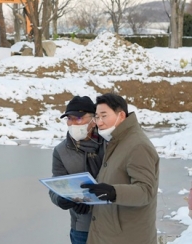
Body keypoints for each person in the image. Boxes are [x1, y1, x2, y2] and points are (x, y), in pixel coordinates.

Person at [81, 93, 159, 244]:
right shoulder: (115, 141)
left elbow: (146, 191)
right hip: (108, 233)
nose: (99, 122)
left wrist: (113, 192)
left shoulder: (138, 145)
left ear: (121, 115)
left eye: (104, 116)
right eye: (97, 117)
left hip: (128, 237)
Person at [49, 96, 104, 244]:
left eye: (78, 118)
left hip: (112, 224)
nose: (72, 123)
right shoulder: (61, 151)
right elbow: (56, 187)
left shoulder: (109, 144)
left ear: (93, 120)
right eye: (69, 119)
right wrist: (62, 200)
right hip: (82, 228)